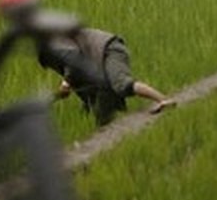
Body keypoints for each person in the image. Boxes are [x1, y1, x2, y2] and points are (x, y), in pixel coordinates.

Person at [39, 25, 174, 126]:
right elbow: (81, 83)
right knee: (101, 109)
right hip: (101, 58)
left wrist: (66, 83)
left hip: (110, 50)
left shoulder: (57, 44)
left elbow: (74, 60)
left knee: (121, 84)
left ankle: (163, 100)